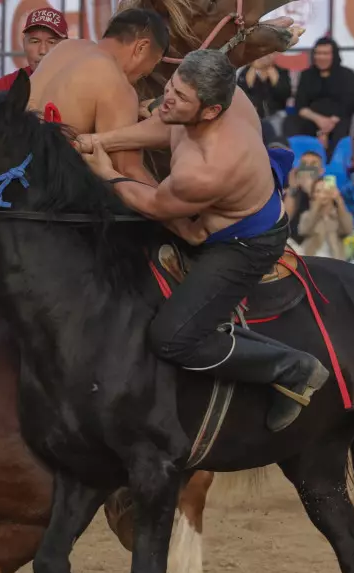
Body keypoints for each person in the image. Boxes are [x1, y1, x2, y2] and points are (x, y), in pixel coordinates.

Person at [81, 49, 330, 432]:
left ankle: (293, 367)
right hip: (220, 208)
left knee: (172, 338)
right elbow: (168, 126)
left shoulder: (207, 169)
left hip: (246, 242)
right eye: (171, 85)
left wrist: (106, 173)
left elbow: (154, 204)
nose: (168, 98)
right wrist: (101, 139)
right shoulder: (215, 96)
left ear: (211, 111)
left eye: (180, 97)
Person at [30, 7, 170, 186]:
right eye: (154, 63)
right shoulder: (116, 83)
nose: (149, 72)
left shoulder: (66, 47)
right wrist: (179, 213)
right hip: (48, 199)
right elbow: (128, 173)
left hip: (7, 183)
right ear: (141, 47)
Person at [286, 37, 354, 151]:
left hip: (337, 119)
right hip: (312, 118)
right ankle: (297, 162)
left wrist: (328, 125)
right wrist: (319, 120)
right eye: (318, 53)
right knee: (291, 123)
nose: (321, 57)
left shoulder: (347, 75)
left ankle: (334, 165)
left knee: (343, 129)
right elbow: (300, 105)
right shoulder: (306, 75)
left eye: (326, 54)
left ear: (334, 55)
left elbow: (348, 105)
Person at [0, 8, 69, 92]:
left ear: (66, 46)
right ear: (24, 44)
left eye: (51, 42)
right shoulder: (6, 87)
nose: (43, 51)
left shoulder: (80, 86)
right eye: (35, 41)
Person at [238, 53, 291, 143]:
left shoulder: (282, 72)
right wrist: (249, 81)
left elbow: (284, 95)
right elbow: (242, 96)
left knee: (278, 128)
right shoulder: (245, 72)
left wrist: (276, 82)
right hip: (252, 115)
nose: (264, 57)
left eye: (269, 54)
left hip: (275, 114)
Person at [296, 178, 353, 259]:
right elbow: (304, 230)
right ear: (313, 194)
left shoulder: (339, 215)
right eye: (318, 191)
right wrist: (316, 206)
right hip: (312, 259)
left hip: (335, 260)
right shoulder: (307, 214)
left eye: (325, 191)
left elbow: (348, 230)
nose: (322, 194)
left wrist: (339, 202)